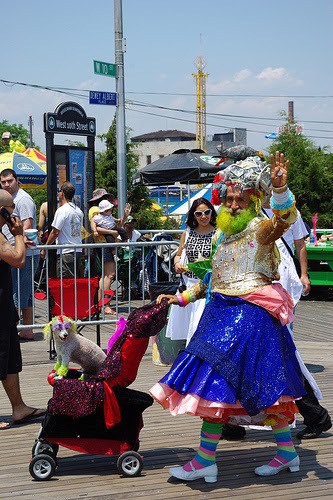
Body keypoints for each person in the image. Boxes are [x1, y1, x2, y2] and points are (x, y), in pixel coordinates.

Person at [150, 152, 307, 482]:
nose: (232, 205)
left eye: (239, 199)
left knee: (218, 383)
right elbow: (213, 278)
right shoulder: (222, 235)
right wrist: (179, 298)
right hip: (220, 314)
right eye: (229, 198)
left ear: (251, 202)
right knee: (248, 387)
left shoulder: (259, 229)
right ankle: (287, 453)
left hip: (251, 319)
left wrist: (279, 188)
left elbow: (283, 221)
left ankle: (206, 459)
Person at [0, 189, 45, 429]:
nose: (14, 216)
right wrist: (18, 234)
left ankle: (18, 407)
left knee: (9, 359)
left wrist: (17, 238)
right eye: (10, 212)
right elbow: (18, 259)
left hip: (4, 304)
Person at [166, 198, 216, 345]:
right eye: (199, 213)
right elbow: (179, 254)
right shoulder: (188, 233)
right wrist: (177, 264)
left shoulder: (218, 233)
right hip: (189, 283)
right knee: (191, 324)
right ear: (193, 216)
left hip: (207, 285)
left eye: (207, 212)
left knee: (198, 324)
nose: (203, 216)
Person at [0, 168, 38, 341]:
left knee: (18, 293)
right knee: (22, 293)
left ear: (17, 180)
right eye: (3, 182)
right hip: (15, 252)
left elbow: (27, 227)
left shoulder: (22, 200)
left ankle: (16, 329)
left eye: (10, 181)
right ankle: (26, 329)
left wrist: (18, 243)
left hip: (22, 253)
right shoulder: (12, 199)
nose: (7, 184)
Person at [40, 182, 83, 278]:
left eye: (59, 191)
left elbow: (55, 232)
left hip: (66, 251)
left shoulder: (62, 210)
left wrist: (45, 248)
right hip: (78, 250)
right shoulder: (78, 210)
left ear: (62, 193)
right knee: (73, 283)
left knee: (65, 283)